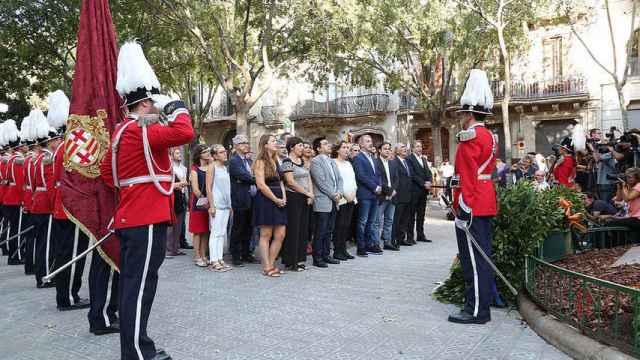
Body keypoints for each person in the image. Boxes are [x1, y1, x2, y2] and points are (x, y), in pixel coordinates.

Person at [100, 41, 194, 360]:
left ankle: (139, 344)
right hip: (146, 219)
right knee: (139, 288)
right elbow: (184, 131)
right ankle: (138, 353)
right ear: (143, 106)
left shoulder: (119, 134)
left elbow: (106, 174)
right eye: (151, 104)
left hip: (132, 217)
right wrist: (174, 104)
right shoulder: (140, 132)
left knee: (134, 287)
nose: (156, 110)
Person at [448, 69, 498, 325]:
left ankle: (477, 310)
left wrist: (462, 207)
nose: (460, 119)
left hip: (472, 203)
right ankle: (482, 304)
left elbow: (467, 176)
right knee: (481, 255)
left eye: (461, 114)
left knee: (473, 259)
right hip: (485, 200)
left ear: (468, 114)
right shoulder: (490, 135)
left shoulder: (470, 138)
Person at [252, 134, 287, 277]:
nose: (276, 143)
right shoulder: (260, 161)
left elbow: (280, 182)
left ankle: (271, 263)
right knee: (266, 234)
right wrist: (275, 199)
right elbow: (260, 185)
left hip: (279, 200)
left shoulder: (276, 160)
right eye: (273, 141)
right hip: (266, 200)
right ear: (265, 145)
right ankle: (266, 267)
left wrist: (283, 197)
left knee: (280, 234)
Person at [280, 137, 313, 271]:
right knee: (293, 229)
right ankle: (290, 261)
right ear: (292, 147)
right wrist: (307, 193)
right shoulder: (287, 161)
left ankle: (300, 259)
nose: (302, 148)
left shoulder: (302, 161)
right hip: (293, 198)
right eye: (300, 145)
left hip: (304, 198)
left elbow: (308, 176)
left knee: (303, 230)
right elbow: (290, 182)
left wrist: (310, 193)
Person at [310, 136, 343, 267]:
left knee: (329, 230)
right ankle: (317, 258)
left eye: (328, 143)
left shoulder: (332, 161)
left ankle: (326, 255)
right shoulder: (316, 161)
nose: (329, 145)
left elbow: (339, 179)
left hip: (334, 200)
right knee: (320, 231)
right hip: (323, 201)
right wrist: (333, 194)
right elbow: (320, 181)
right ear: (318, 149)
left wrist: (339, 192)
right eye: (325, 144)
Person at [228, 134, 259, 266]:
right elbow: (244, 176)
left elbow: (250, 175)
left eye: (246, 142)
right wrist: (255, 178)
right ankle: (236, 256)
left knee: (248, 228)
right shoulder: (234, 160)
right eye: (242, 143)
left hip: (251, 199)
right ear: (236, 146)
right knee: (238, 228)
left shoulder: (248, 161)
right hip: (240, 199)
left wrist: (251, 177)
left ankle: (246, 253)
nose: (246, 145)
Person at [352, 134, 383, 256]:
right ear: (361, 144)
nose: (371, 143)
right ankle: (361, 247)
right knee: (362, 222)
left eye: (371, 141)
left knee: (371, 222)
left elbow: (378, 175)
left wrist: (379, 186)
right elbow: (361, 176)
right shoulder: (358, 158)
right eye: (368, 141)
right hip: (365, 194)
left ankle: (369, 244)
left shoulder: (373, 158)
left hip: (375, 194)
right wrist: (374, 187)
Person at [206, 144, 232, 272]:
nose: (225, 153)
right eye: (221, 152)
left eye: (225, 151)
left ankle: (220, 258)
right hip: (216, 204)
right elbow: (208, 187)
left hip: (226, 205)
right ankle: (213, 260)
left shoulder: (225, 168)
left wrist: (230, 205)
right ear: (215, 155)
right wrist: (211, 206)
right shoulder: (212, 167)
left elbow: (228, 188)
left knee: (222, 233)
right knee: (215, 233)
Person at [3, 120, 26, 266]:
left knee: (12, 227)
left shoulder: (10, 159)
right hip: (15, 197)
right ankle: (15, 255)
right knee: (17, 228)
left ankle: (12, 252)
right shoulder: (17, 159)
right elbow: (19, 184)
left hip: (8, 195)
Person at [332, 141, 356, 260]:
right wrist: (346, 195)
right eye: (344, 147)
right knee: (339, 225)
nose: (347, 150)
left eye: (348, 148)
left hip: (352, 198)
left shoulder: (348, 164)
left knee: (346, 226)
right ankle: (337, 251)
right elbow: (336, 182)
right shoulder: (334, 163)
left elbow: (353, 181)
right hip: (342, 199)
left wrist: (353, 194)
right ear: (337, 150)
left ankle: (343, 250)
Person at [189, 144, 211, 267]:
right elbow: (196, 189)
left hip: (209, 203)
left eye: (208, 151)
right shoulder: (194, 169)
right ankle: (197, 256)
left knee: (206, 231)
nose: (208, 153)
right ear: (199, 155)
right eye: (205, 152)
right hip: (198, 204)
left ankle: (203, 254)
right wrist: (205, 201)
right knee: (197, 231)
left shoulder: (210, 167)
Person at [375, 142, 399, 251]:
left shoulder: (392, 163)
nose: (388, 150)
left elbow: (396, 179)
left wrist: (393, 191)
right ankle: (376, 243)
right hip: (381, 196)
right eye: (385, 149)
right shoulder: (376, 163)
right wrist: (388, 192)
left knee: (389, 220)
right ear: (379, 150)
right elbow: (378, 180)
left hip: (392, 196)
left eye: (389, 149)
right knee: (377, 221)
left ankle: (387, 242)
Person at [407, 141, 433, 243]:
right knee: (411, 215)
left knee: (421, 215)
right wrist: (423, 183)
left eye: (421, 146)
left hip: (423, 192)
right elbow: (412, 174)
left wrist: (430, 181)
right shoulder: (409, 159)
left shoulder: (423, 159)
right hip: (414, 191)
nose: (420, 148)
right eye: (417, 146)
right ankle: (410, 236)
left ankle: (420, 235)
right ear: (413, 148)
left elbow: (429, 172)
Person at [166, 148, 188, 257]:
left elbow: (185, 183)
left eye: (180, 153)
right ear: (172, 155)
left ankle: (176, 248)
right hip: (173, 197)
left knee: (179, 224)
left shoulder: (184, 168)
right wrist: (178, 185)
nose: (179, 155)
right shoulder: (169, 168)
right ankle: (168, 250)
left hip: (182, 196)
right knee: (171, 226)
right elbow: (167, 184)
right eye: (177, 153)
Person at [391, 143, 413, 248]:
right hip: (399, 196)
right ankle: (394, 239)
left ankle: (401, 238)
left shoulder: (407, 161)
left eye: (405, 147)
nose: (405, 149)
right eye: (402, 148)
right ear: (397, 151)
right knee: (397, 219)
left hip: (408, 195)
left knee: (405, 219)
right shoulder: (394, 162)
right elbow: (395, 179)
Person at [607, 167, 640, 233]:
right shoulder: (629, 186)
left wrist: (624, 187)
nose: (628, 179)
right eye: (627, 177)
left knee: (611, 224)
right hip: (632, 217)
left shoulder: (639, 185)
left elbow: (627, 198)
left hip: (638, 218)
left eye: (630, 177)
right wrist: (619, 188)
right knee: (608, 221)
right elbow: (619, 199)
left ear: (637, 177)